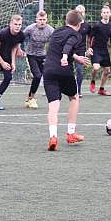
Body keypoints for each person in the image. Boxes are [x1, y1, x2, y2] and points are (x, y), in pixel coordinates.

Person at [43, 9, 91, 151]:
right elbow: (68, 45)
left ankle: (53, 137)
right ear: (79, 24)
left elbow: (61, 47)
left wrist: (76, 58)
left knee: (53, 106)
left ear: (66, 21)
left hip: (48, 70)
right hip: (63, 70)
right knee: (74, 97)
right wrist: (65, 57)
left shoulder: (56, 31)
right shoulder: (76, 35)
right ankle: (71, 133)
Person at [22, 10, 54, 109]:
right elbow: (20, 38)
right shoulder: (30, 28)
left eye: (44, 19)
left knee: (43, 76)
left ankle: (29, 97)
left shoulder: (50, 30)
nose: (42, 21)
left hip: (43, 55)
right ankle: (32, 98)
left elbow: (56, 42)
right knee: (37, 75)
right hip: (31, 55)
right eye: (40, 19)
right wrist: (19, 49)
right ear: (36, 20)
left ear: (46, 20)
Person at [88, 2, 111, 96]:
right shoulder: (97, 25)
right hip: (96, 49)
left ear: (110, 14)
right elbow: (90, 37)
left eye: (107, 12)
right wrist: (89, 48)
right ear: (101, 14)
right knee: (96, 68)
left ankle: (101, 89)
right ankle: (93, 81)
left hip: (104, 50)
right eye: (104, 12)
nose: (106, 14)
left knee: (107, 71)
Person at [73, 4, 91, 96]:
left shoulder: (87, 26)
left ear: (84, 13)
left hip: (80, 52)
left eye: (81, 12)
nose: (79, 14)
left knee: (79, 71)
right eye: (78, 12)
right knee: (64, 70)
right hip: (69, 51)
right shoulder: (71, 24)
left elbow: (90, 39)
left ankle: (78, 90)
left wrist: (89, 49)